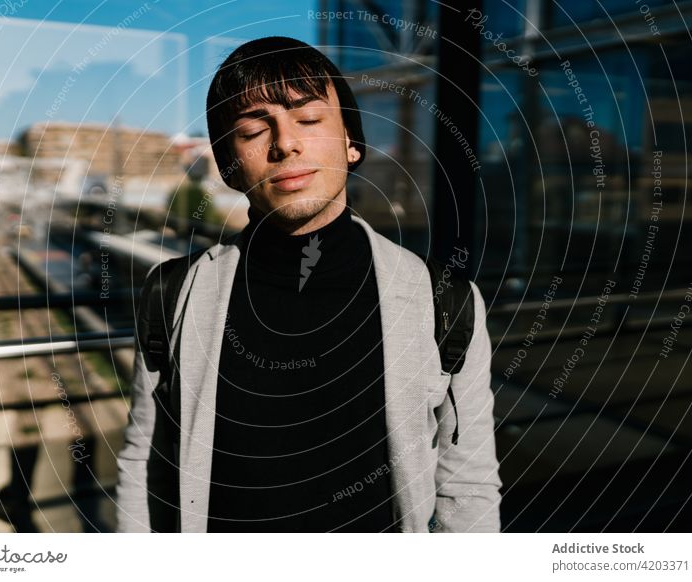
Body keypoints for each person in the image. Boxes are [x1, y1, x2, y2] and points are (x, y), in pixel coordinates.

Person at [115, 36, 501, 533]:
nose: (285, 143)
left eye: (310, 119)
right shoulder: (172, 292)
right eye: (254, 129)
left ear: (351, 142)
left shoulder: (444, 300)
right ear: (230, 163)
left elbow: (466, 486)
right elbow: (144, 464)